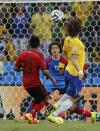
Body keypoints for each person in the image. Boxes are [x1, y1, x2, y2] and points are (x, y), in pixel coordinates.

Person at [47, 17, 96, 124]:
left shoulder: (67, 39)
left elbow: (64, 55)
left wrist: (62, 67)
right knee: (74, 98)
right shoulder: (76, 42)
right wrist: (80, 71)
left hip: (68, 72)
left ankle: (55, 106)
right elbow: (73, 58)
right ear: (78, 29)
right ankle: (53, 115)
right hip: (75, 73)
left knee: (69, 94)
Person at [14, 35, 56, 124]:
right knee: (45, 99)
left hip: (25, 83)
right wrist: (52, 78)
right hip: (35, 83)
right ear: (39, 44)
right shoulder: (39, 55)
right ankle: (30, 113)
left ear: (29, 43)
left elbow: (16, 68)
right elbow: (44, 70)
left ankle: (31, 119)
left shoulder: (22, 54)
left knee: (36, 99)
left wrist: (22, 69)